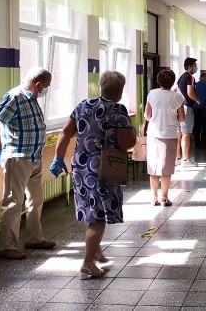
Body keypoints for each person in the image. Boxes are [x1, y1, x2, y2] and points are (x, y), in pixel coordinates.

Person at [51, 71, 135, 279]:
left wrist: (58, 158)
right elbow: (126, 143)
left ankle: (94, 250)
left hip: (80, 165)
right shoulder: (118, 110)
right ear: (119, 90)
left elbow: (65, 133)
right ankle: (87, 265)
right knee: (98, 217)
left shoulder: (83, 105)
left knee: (91, 210)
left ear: (101, 86)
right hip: (103, 168)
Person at [0, 67, 55, 260]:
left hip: (34, 157)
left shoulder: (32, 99)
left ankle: (34, 238)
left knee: (36, 199)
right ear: (38, 84)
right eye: (46, 87)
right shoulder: (14, 97)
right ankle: (6, 246)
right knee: (13, 202)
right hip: (17, 157)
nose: (46, 91)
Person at [145, 69, 185, 206]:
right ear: (173, 82)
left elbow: (147, 116)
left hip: (153, 134)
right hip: (170, 135)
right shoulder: (178, 97)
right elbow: (182, 118)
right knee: (166, 168)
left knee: (153, 167)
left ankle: (153, 197)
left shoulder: (152, 94)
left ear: (158, 81)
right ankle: (164, 197)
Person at [174, 58, 199, 166]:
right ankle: (185, 159)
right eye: (194, 65)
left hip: (178, 107)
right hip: (186, 107)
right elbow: (190, 93)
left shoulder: (180, 78)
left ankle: (177, 157)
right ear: (189, 66)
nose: (195, 67)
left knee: (178, 133)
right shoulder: (190, 77)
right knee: (186, 133)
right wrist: (198, 100)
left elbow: (175, 90)